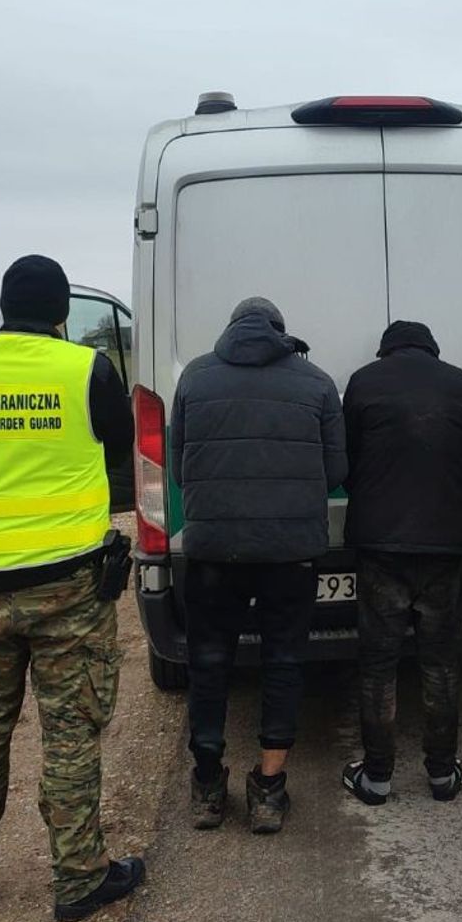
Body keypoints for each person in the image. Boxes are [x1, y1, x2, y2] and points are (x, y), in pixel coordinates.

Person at [0, 254, 144, 922]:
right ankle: (79, 878)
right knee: (71, 733)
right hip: (68, 588)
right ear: (61, 313)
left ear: (2, 308)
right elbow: (120, 449)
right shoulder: (86, 368)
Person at [170, 296, 346, 834]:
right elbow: (336, 471)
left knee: (208, 663)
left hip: (212, 551)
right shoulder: (317, 382)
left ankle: (207, 787)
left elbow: (179, 467)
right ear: (281, 333)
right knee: (284, 662)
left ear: (231, 330)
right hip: (289, 552)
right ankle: (268, 790)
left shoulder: (194, 378)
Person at [338, 320, 462, 805]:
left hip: (381, 545)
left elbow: (348, 462)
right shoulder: (461, 382)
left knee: (378, 665)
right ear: (432, 349)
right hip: (444, 544)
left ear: (386, 350)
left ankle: (376, 777)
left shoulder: (363, 382)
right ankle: (442, 774)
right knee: (440, 662)